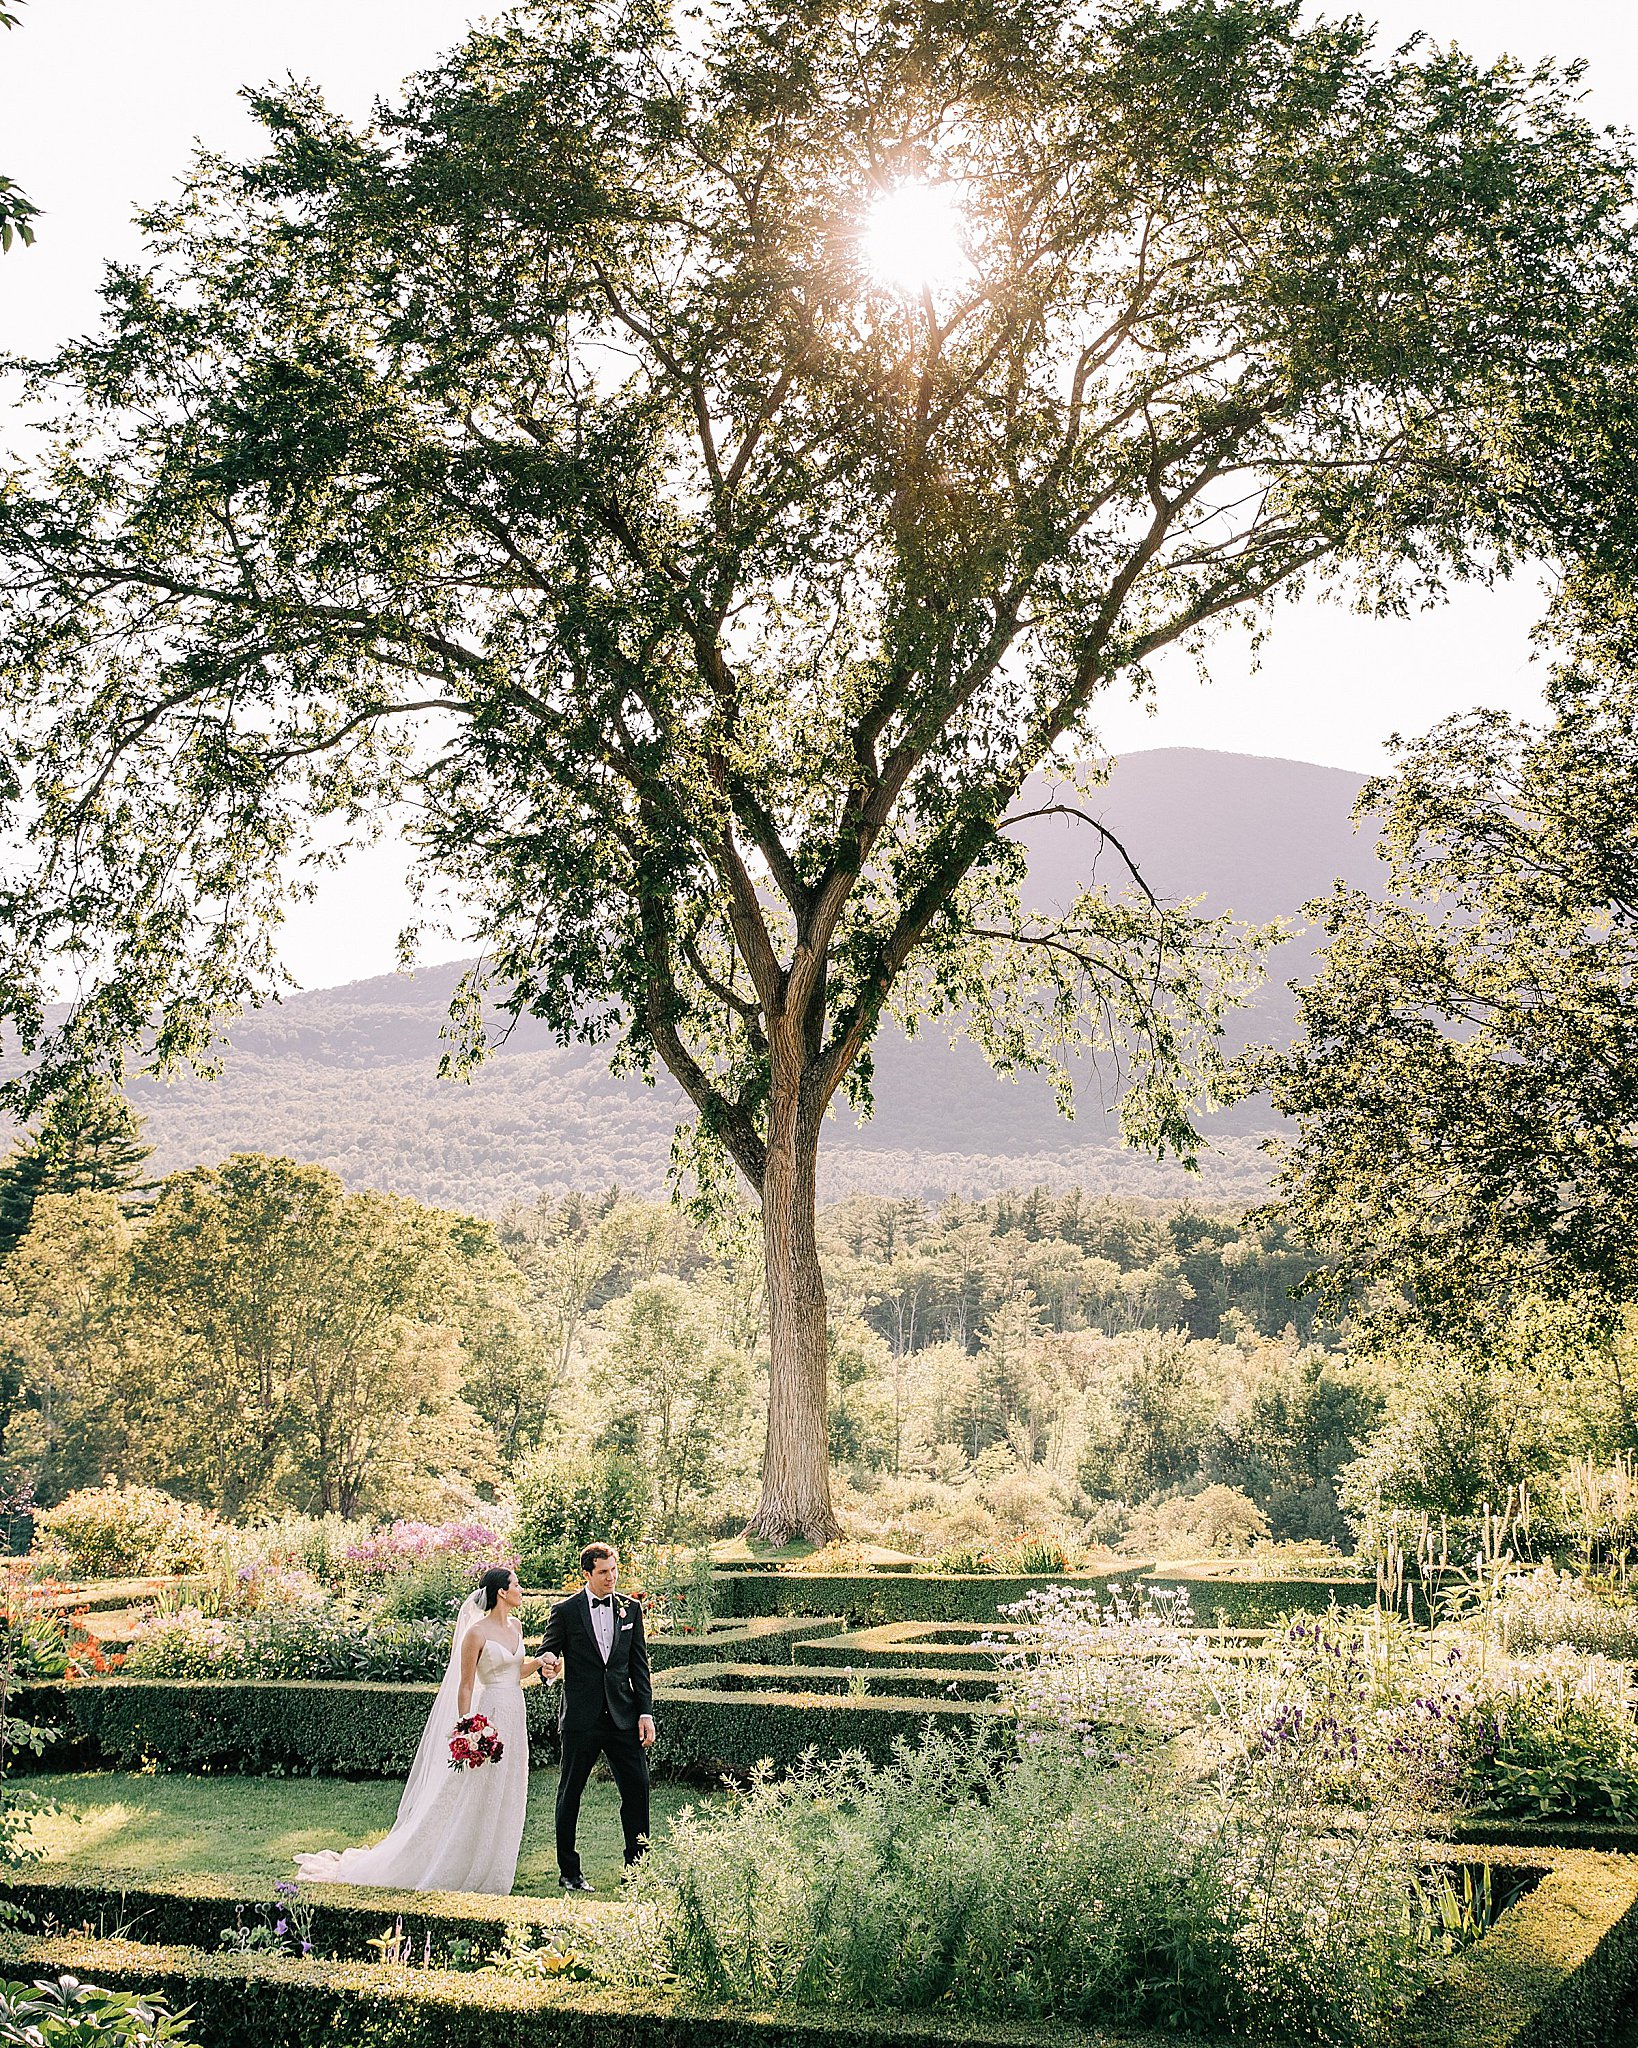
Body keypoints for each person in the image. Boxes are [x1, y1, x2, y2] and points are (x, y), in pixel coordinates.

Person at [294, 1565, 547, 1894]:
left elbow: (515, 1671)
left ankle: (494, 1865)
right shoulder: (476, 1633)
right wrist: (468, 1727)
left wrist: (539, 1663)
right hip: (490, 1716)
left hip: (515, 1713)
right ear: (501, 1592)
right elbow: (467, 1685)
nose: (521, 1590)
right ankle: (451, 1859)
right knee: (474, 1792)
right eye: (517, 1584)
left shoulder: (516, 1626)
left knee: (507, 1789)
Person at [538, 1541, 655, 1891]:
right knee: (570, 1794)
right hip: (581, 1719)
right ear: (587, 1573)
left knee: (638, 1790)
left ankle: (636, 1870)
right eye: (603, 1572)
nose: (611, 1578)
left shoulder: (630, 1609)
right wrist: (547, 1662)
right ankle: (570, 1873)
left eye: (614, 1570)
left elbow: (639, 1666)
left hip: (623, 1716)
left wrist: (645, 1712)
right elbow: (548, 1648)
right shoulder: (566, 1610)